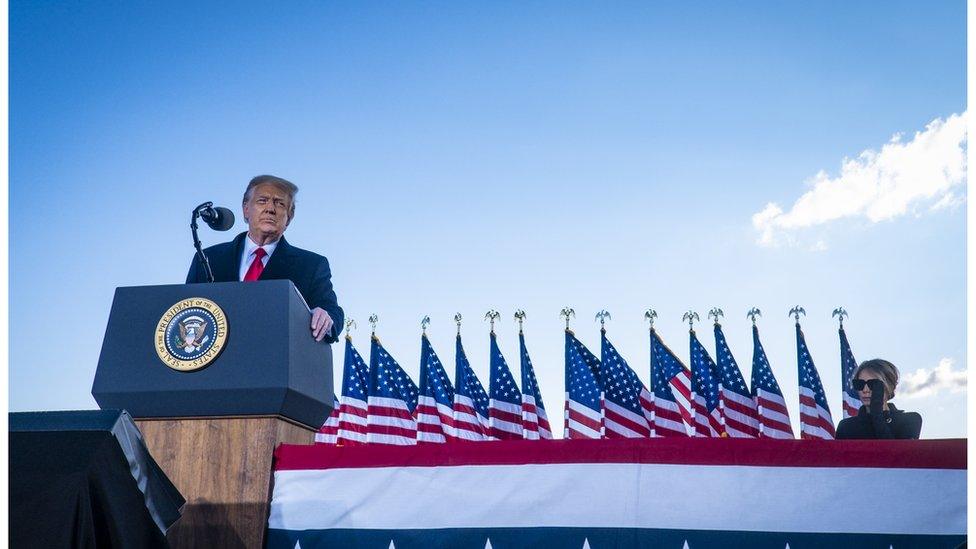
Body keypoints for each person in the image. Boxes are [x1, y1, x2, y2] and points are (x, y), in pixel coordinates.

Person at [186, 175, 344, 343]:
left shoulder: (311, 265)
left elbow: (333, 313)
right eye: (262, 201)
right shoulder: (208, 258)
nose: (270, 209)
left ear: (289, 217)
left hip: (276, 360)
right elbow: (185, 311)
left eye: (280, 203)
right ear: (246, 210)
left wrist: (325, 317)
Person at [836, 359, 922, 439]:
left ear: (889, 387)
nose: (865, 390)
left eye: (873, 384)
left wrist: (877, 412)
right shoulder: (846, 427)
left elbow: (895, 453)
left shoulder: (910, 420)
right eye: (859, 384)